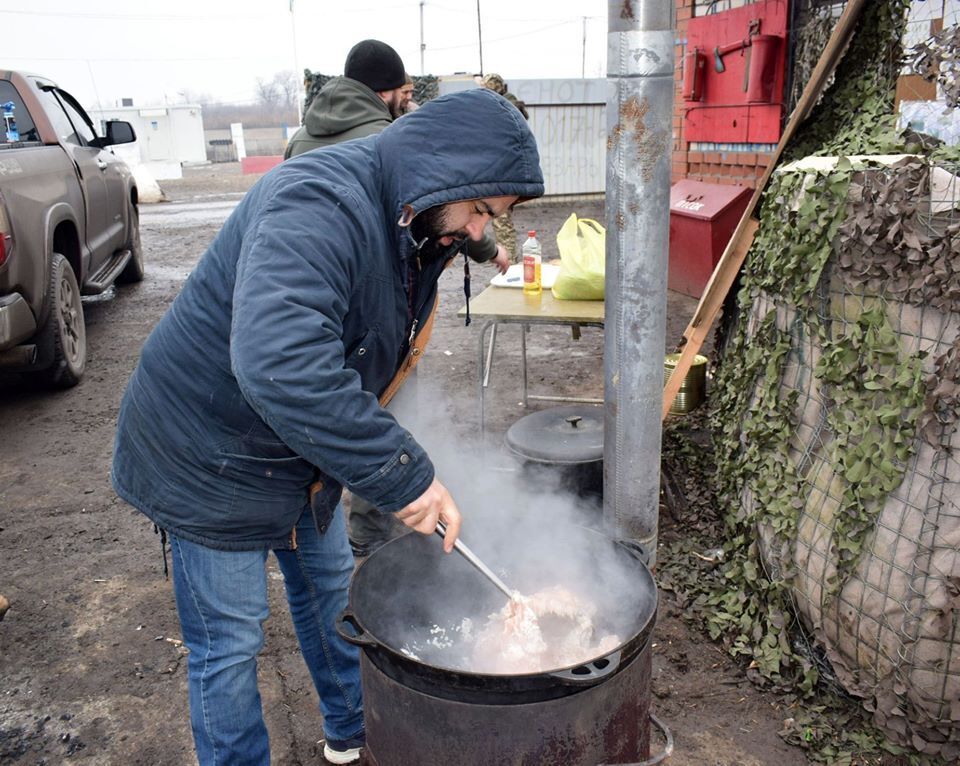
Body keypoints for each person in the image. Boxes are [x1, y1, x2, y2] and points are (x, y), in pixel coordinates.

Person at [111, 88, 544, 766]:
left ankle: (357, 737)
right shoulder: (318, 203)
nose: (482, 230)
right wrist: (401, 477)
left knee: (331, 595)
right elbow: (280, 362)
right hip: (206, 451)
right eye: (483, 210)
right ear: (444, 174)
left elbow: (363, 350)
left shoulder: (416, 221)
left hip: (298, 452)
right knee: (230, 641)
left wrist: (390, 460)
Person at [285, 41, 510, 558]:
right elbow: (448, 206)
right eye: (405, 92)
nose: (407, 102)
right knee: (384, 411)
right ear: (385, 91)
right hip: (374, 310)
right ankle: (373, 535)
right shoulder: (389, 142)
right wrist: (489, 247)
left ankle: (347, 527)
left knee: (331, 404)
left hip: (320, 310)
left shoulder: (302, 138)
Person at [283, 39, 412, 158]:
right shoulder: (392, 142)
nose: (407, 97)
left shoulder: (297, 140)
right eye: (400, 90)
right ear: (385, 91)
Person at [477, 73, 530, 263]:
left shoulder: (503, 110)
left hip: (502, 174)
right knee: (502, 220)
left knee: (501, 220)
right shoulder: (510, 109)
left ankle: (511, 265)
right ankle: (511, 261)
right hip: (506, 172)